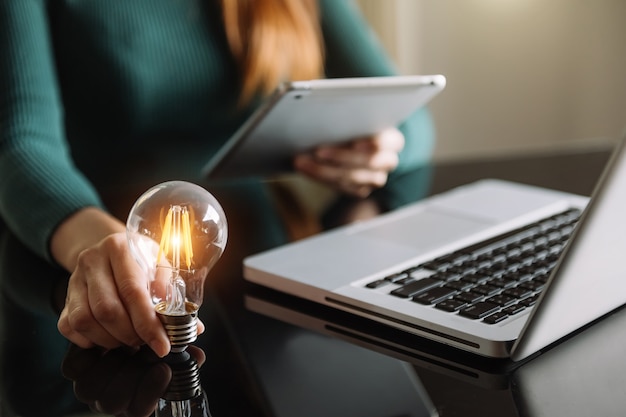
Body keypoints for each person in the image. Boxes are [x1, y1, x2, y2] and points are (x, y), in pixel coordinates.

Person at [0, 0, 435, 415]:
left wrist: (384, 147)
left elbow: (411, 114)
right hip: (90, 238)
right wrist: (99, 244)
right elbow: (20, 143)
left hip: (266, 283)